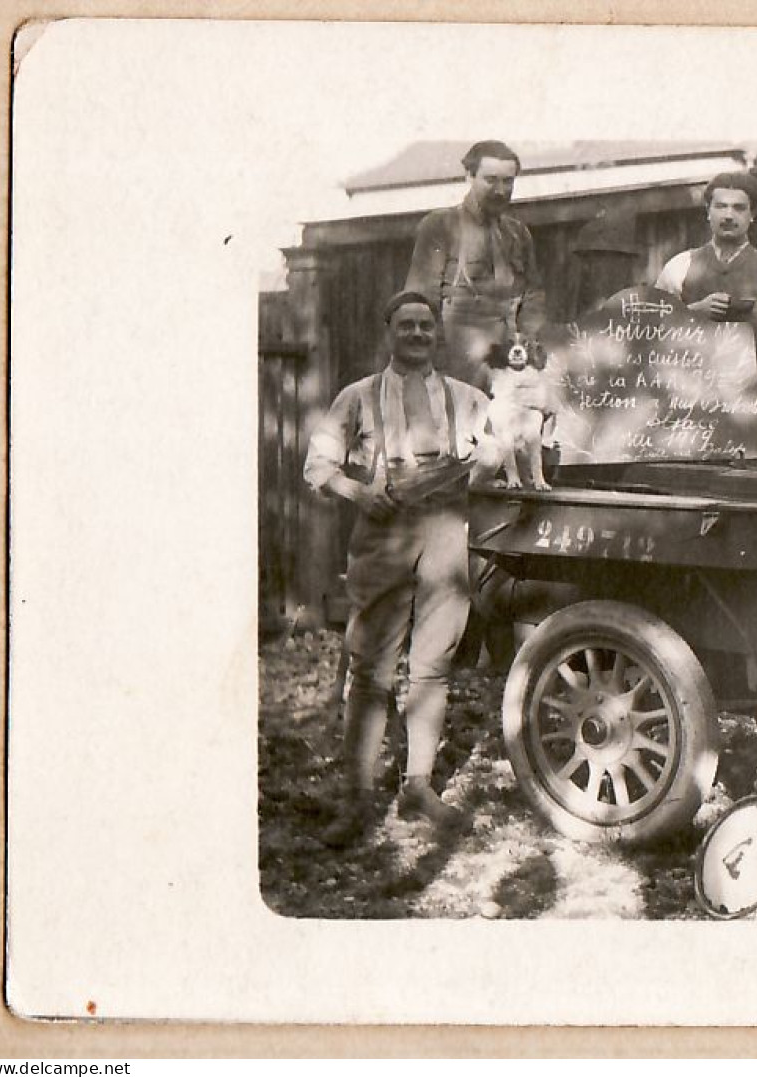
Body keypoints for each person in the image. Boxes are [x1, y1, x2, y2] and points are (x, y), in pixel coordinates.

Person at [304, 290, 502, 847]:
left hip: (446, 533)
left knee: (433, 665)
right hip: (382, 535)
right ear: (389, 332)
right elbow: (318, 464)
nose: (417, 334)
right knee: (370, 671)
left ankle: (417, 787)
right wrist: (357, 491)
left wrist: (492, 453)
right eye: (406, 326)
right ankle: (358, 799)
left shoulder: (466, 399)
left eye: (425, 326)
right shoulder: (358, 397)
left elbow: (504, 444)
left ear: (437, 335)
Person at [653, 172, 757, 453]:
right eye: (720, 206)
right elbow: (650, 329)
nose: (728, 215)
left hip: (746, 395)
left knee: (740, 476)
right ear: (707, 212)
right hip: (687, 392)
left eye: (739, 208)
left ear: (753, 215)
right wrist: (694, 312)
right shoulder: (681, 264)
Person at [404, 140, 546, 393]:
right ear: (469, 176)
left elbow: (532, 295)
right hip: (458, 365)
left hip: (509, 362)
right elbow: (420, 303)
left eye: (508, 181)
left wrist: (529, 345)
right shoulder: (440, 226)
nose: (501, 190)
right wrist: (434, 366)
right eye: (491, 180)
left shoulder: (517, 233)